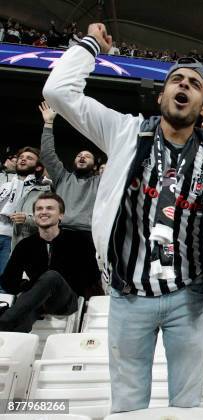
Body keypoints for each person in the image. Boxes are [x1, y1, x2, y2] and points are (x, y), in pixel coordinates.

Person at [43, 23, 203, 412]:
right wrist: (90, 47)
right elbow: (57, 91)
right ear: (162, 95)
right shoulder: (123, 132)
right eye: (177, 79)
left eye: (194, 84)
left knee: (186, 406)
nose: (184, 85)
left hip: (189, 299)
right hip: (129, 296)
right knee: (127, 406)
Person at [0, 192, 103, 332]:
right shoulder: (25, 245)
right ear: (34, 215)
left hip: (67, 299)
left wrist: (53, 283)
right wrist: (32, 287)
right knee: (22, 315)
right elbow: (8, 282)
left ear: (61, 215)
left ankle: (3, 321)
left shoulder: (79, 241)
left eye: (49, 208)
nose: (43, 212)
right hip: (37, 302)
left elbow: (92, 277)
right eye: (39, 209)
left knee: (51, 276)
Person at [38, 101, 101, 232]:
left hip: (89, 233)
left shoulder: (100, 181)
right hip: (61, 230)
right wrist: (48, 123)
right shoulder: (62, 177)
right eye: (79, 155)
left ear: (95, 166)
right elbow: (47, 154)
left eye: (87, 156)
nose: (82, 157)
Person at [0, 147, 51, 255]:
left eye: (29, 158)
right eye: (21, 157)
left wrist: (26, 219)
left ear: (38, 167)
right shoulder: (4, 184)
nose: (23, 159)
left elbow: (49, 220)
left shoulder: (43, 190)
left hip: (17, 240)